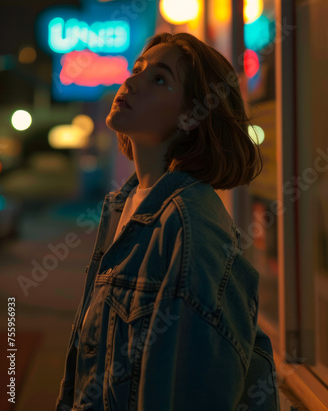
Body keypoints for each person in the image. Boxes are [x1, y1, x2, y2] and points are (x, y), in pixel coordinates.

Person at [55, 32, 281, 410]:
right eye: (137, 70)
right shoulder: (124, 206)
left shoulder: (191, 227)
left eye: (158, 79)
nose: (131, 81)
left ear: (191, 117)